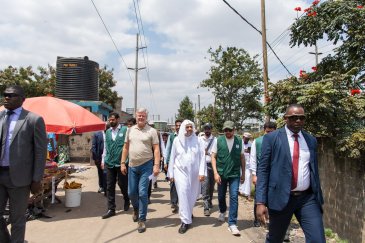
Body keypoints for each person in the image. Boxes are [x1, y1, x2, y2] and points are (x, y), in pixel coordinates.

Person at [256, 104, 325, 243]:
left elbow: (313, 169)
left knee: (318, 239)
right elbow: (263, 170)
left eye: (301, 118)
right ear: (285, 118)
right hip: (281, 197)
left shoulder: (310, 140)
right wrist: (260, 202)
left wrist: (318, 196)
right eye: (294, 117)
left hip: (307, 199)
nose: (298, 121)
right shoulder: (272, 139)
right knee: (275, 239)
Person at [0, 85, 47, 243]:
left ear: (22, 99)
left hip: (20, 179)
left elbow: (40, 152)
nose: (7, 98)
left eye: (12, 95)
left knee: (17, 219)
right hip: (0, 175)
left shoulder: (33, 119)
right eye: (5, 95)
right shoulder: (0, 117)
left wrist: (36, 179)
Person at [120, 108, 160, 233]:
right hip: (132, 166)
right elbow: (125, 148)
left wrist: (156, 165)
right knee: (131, 192)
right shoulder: (130, 130)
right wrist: (122, 163)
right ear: (136, 117)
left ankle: (142, 219)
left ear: (146, 117)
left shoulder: (152, 131)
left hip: (146, 165)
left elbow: (156, 149)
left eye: (143, 115)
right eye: (139, 115)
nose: (141, 117)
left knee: (142, 192)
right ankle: (136, 209)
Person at [167, 120, 206, 234]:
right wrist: (171, 174)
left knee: (192, 195)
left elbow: (202, 157)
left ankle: (188, 212)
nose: (189, 129)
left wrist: (202, 172)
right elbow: (172, 157)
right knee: (183, 193)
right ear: (183, 128)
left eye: (191, 127)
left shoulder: (199, 141)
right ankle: (185, 221)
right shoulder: (176, 140)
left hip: (194, 173)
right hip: (180, 171)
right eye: (187, 127)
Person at [211, 121, 245, 236]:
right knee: (221, 196)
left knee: (234, 196)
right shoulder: (218, 141)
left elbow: (242, 158)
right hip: (221, 174)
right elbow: (213, 157)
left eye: (230, 130)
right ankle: (222, 210)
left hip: (234, 174)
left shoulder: (239, 141)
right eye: (226, 130)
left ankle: (232, 223)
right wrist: (215, 173)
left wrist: (243, 173)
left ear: (234, 130)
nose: (228, 132)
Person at [101, 112, 130, 219]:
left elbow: (128, 147)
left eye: (113, 120)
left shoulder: (125, 130)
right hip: (109, 162)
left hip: (121, 163)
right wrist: (103, 160)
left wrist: (127, 161)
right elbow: (106, 146)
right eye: (110, 120)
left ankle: (126, 198)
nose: (111, 121)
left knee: (122, 184)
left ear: (118, 119)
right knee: (109, 186)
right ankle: (111, 209)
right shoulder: (107, 132)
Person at [249, 121, 277, 227]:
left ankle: (273, 220)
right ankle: (257, 219)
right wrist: (254, 174)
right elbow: (253, 159)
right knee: (259, 197)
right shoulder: (258, 141)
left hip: (275, 175)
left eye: (272, 132)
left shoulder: (279, 141)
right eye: (267, 131)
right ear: (264, 130)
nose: (269, 134)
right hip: (261, 174)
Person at [164, 119, 182, 213]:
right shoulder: (172, 136)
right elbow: (167, 149)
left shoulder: (186, 136)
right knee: (173, 184)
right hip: (173, 164)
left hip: (183, 165)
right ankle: (174, 203)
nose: (178, 127)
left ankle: (183, 204)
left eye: (180, 125)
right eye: (177, 125)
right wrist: (166, 162)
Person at [199, 122, 216, 216]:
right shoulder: (199, 140)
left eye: (208, 129)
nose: (207, 130)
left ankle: (209, 201)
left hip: (212, 165)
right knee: (205, 186)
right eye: (205, 129)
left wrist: (208, 153)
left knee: (211, 186)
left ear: (211, 129)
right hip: (203, 166)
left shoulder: (215, 140)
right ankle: (206, 207)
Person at [239, 132, 252, 199]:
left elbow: (252, 154)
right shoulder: (239, 143)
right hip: (239, 163)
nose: (247, 140)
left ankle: (248, 193)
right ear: (243, 137)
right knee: (239, 176)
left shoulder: (250, 144)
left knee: (248, 176)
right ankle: (240, 190)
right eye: (246, 139)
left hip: (248, 164)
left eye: (248, 139)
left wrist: (250, 151)